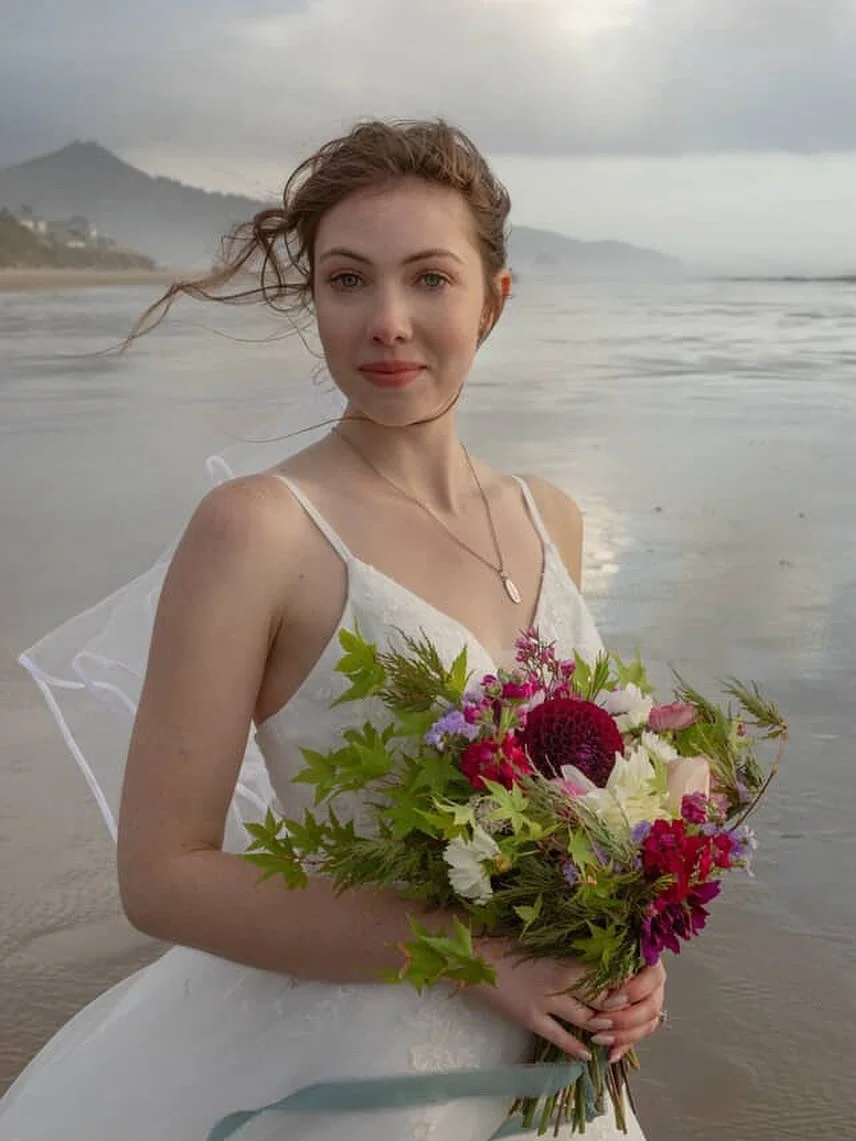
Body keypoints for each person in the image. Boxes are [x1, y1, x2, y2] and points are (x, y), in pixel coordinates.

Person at [1, 119, 665, 1141]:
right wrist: (476, 953)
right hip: (355, 1070)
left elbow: (588, 802)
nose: (386, 321)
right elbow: (162, 875)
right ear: (311, 299)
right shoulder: (258, 529)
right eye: (347, 280)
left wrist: (629, 949)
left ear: (493, 299)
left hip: (553, 1060)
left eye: (429, 279)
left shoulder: (552, 517)